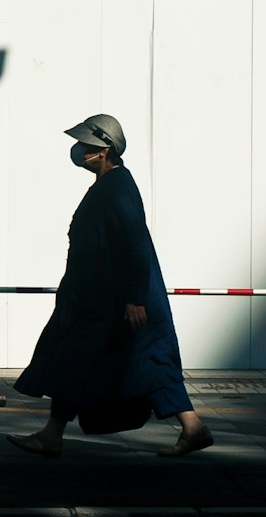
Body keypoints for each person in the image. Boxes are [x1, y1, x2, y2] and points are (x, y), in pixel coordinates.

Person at [12, 112, 214, 457]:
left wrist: (135, 300)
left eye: (84, 145)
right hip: (98, 300)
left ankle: (52, 435)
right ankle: (191, 427)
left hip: (118, 302)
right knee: (103, 362)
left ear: (102, 150)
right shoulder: (108, 185)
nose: (78, 150)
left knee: (118, 361)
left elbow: (134, 244)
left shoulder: (118, 188)